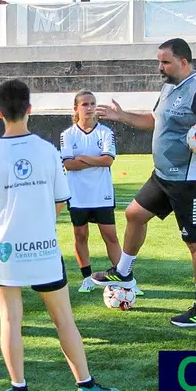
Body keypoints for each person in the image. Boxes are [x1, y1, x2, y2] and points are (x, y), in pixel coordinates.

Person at [0, 79, 122, 391]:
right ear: (29, 109)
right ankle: (85, 384)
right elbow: (59, 202)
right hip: (43, 248)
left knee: (10, 319)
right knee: (63, 318)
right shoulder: (47, 150)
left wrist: (10, 222)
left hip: (4, 250)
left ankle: (19, 388)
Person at [93, 38, 196, 328]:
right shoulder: (169, 87)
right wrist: (122, 116)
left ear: (184, 62)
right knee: (134, 214)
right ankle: (124, 272)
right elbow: (155, 120)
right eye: (159, 61)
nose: (160, 67)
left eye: (165, 62)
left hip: (189, 182)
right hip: (163, 176)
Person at [59, 90, 140, 295]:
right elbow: (68, 164)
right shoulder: (67, 135)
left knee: (110, 236)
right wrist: (94, 160)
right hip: (77, 194)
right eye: (85, 104)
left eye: (92, 103)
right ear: (76, 108)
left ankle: (127, 280)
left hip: (101, 193)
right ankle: (86, 278)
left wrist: (84, 158)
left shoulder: (105, 132)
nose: (90, 108)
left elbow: (108, 160)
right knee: (80, 235)